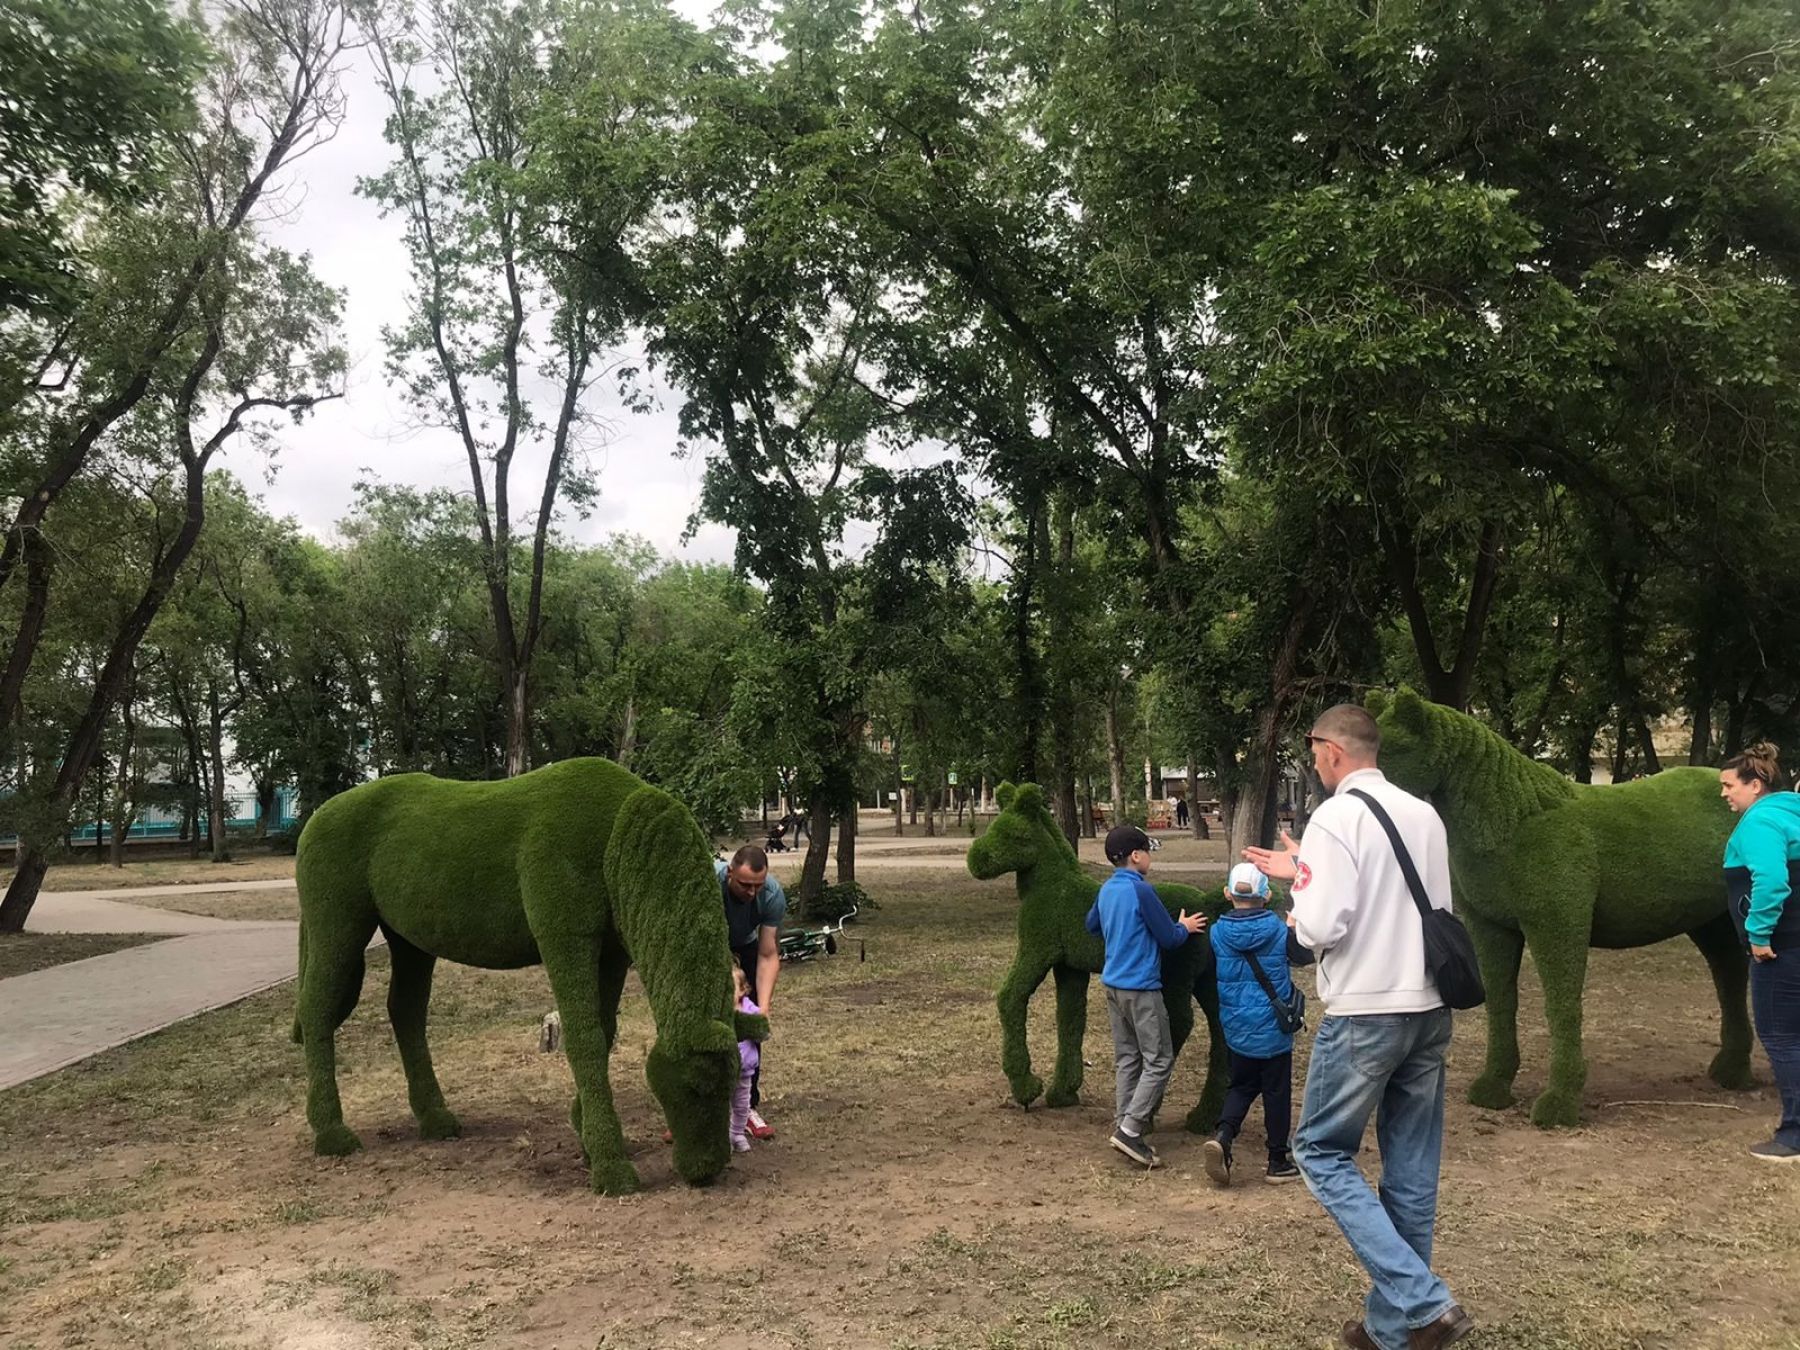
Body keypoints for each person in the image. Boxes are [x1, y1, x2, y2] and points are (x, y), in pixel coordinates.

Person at [1244, 704, 1474, 1350]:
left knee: (1318, 1151)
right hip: (1428, 1007)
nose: (1313, 760)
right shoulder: (1423, 814)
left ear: (1332, 751)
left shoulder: (1335, 817)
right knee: (1411, 1169)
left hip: (1367, 1010)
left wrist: (1300, 893)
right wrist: (1307, 870)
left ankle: (1424, 1301)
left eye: (1313, 749)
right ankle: (1390, 1327)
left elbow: (1322, 926)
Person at [1084, 823, 1207, 1169]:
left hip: (1113, 987)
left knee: (1127, 1057)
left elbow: (1092, 925)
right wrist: (1185, 927)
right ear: (1136, 855)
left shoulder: (1107, 889)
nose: (1150, 858)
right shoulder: (1142, 891)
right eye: (1148, 851)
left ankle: (1123, 1122)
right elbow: (1168, 938)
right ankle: (1131, 1128)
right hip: (1142, 988)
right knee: (1159, 1058)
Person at [1203, 861, 1314, 1187]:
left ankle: (1223, 1136)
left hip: (1236, 1025)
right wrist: (1294, 926)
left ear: (1227, 894)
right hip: (1273, 1028)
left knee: (1241, 1085)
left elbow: (1212, 969)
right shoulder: (1279, 930)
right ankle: (1277, 1160)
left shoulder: (1217, 933)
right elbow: (1304, 956)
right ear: (1266, 895)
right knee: (1276, 1093)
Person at [1719, 742, 1800, 1163]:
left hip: (1782, 950)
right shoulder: (1793, 814)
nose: (1724, 793)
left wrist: (1759, 934)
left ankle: (1794, 1136)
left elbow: (1770, 880)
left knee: (1782, 1037)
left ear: (1755, 784)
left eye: (1729, 785)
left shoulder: (1761, 822)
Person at [716, 844, 786, 1140]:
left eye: (758, 885)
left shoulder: (771, 895)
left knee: (748, 1026)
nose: (752, 892)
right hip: (708, 943)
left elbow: (768, 955)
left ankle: (747, 1108)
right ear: (730, 873)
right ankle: (697, 1109)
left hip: (744, 944)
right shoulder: (710, 883)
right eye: (745, 884)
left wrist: (763, 1011)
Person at [729, 967, 762, 1153]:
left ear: (742, 990)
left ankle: (737, 1133)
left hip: (744, 1072)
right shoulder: (719, 1013)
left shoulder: (749, 1010)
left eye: (731, 987)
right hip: (723, 1071)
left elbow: (762, 1032)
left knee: (742, 1105)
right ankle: (723, 1137)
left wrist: (754, 1024)